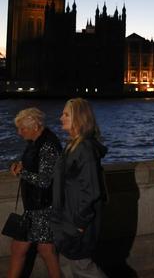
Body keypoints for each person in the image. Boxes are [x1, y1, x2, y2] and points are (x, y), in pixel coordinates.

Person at [51, 98, 108, 278]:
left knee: (82, 267)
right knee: (70, 266)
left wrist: (80, 224)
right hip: (68, 219)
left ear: (79, 118)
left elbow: (91, 190)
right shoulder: (72, 146)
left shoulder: (83, 148)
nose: (61, 118)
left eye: (66, 114)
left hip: (76, 221)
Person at [8, 108, 62, 278]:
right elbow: (37, 168)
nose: (19, 132)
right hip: (35, 206)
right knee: (43, 250)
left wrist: (21, 173)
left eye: (22, 128)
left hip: (42, 208)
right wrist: (23, 166)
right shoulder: (37, 142)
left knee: (38, 250)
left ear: (36, 126)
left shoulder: (47, 146)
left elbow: (45, 180)